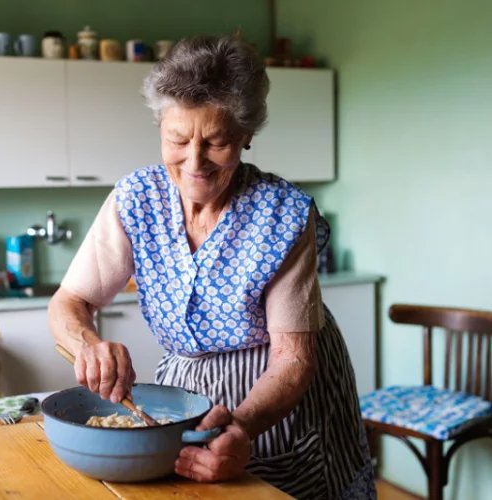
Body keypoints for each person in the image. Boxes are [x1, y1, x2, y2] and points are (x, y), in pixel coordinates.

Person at [48, 35, 375, 499]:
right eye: (178, 139)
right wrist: (89, 344)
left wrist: (242, 424)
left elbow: (292, 360)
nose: (194, 162)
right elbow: (70, 302)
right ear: (160, 126)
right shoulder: (135, 198)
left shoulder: (283, 214)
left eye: (217, 142)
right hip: (185, 394)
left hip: (278, 401)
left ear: (246, 136)